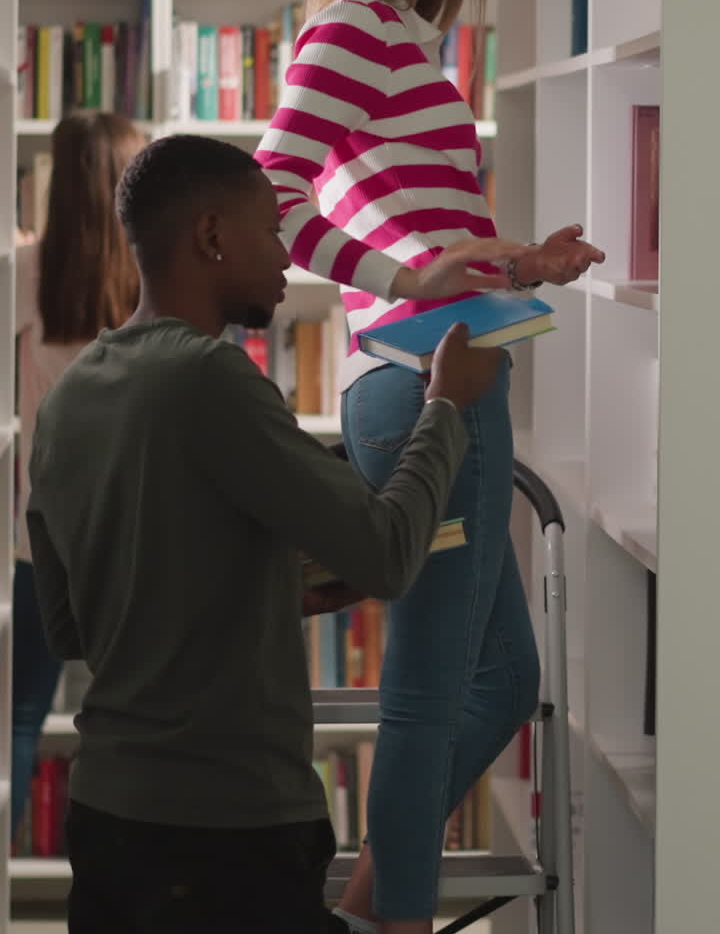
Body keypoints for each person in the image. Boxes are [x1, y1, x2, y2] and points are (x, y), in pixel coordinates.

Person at [255, 0, 605, 934]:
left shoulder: (403, 36)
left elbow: (411, 228)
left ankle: (367, 909)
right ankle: (391, 920)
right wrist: (409, 279)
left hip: (447, 373)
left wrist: (514, 262)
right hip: (422, 389)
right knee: (429, 686)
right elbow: (269, 199)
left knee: (500, 680)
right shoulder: (354, 28)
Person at [27, 133, 514, 934]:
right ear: (212, 235)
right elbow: (389, 555)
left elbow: (72, 626)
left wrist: (267, 587)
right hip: (228, 832)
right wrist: (444, 406)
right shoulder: (211, 377)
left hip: (108, 820)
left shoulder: (69, 397)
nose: (287, 254)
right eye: (270, 229)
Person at [12, 111, 145, 840]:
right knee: (142, 725)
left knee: (19, 719)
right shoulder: (157, 275)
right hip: (137, 537)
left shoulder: (26, 270)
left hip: (42, 536)